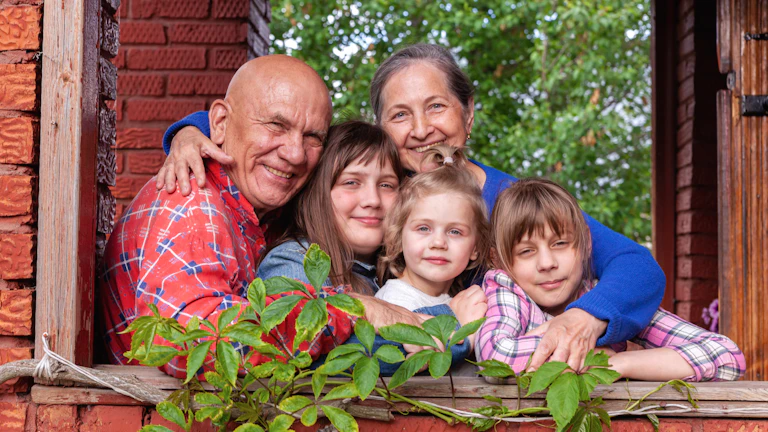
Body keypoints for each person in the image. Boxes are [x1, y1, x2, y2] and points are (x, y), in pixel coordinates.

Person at [154, 43, 666, 373]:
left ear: (468, 114)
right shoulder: (382, 184)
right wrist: (192, 129)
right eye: (401, 114)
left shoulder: (509, 201)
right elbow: (284, 136)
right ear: (382, 128)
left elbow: (635, 265)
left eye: (437, 106)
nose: (421, 129)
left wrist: (584, 318)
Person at [98, 56, 420, 379]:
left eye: (312, 137)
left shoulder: (266, 203)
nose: (294, 153)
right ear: (220, 124)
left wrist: (188, 130)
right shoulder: (192, 201)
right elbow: (194, 345)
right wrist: (349, 307)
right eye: (276, 125)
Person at [476, 178, 745, 381]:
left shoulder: (605, 300)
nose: (547, 263)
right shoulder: (508, 290)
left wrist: (619, 363)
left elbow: (727, 357)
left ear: (586, 245)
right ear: (499, 261)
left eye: (560, 243)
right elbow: (496, 357)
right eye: (526, 251)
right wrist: (582, 347)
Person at [257, 120, 404, 294]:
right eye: (351, 182)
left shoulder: (407, 268)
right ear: (318, 194)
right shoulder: (296, 263)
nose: (373, 200)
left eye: (386, 185)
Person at [375, 145, 490, 352]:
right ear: (399, 237)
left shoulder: (464, 299)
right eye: (424, 228)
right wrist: (461, 330)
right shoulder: (395, 301)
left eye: (455, 231)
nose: (438, 243)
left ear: (476, 247)